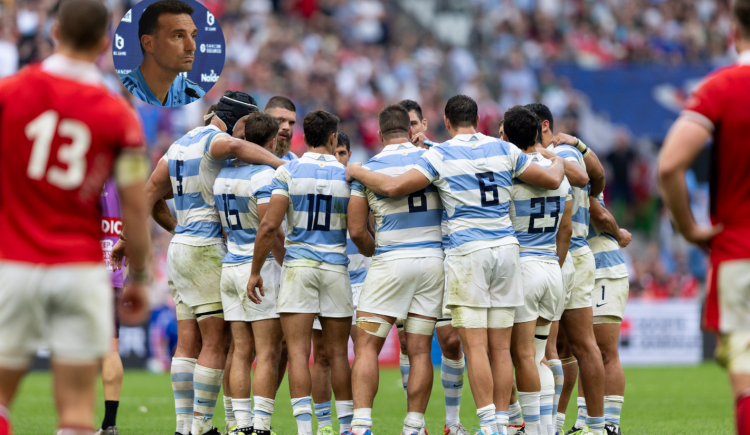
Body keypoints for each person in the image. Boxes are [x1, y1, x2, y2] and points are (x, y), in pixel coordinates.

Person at [345, 95, 565, 435]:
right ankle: (504, 424)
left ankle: (490, 425)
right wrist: (558, 161)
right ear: (478, 118)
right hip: (507, 250)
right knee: (501, 348)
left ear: (446, 122)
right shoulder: (503, 149)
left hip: (468, 252)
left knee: (475, 345)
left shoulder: (439, 154)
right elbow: (551, 179)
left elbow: (392, 186)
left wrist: (357, 170)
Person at [0, 1, 150, 434]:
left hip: (17, 263)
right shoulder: (120, 118)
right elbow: (135, 208)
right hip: (81, 272)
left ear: (53, 32)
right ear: (105, 44)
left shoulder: (10, 93)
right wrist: (138, 278)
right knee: (77, 414)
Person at [113, 91, 286, 435]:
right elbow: (235, 147)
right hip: (206, 249)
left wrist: (130, 237)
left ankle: (183, 427)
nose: (242, 136)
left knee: (187, 342)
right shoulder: (217, 140)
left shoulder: (178, 145)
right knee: (215, 342)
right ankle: (202, 426)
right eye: (244, 127)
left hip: (180, 248)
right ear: (240, 121)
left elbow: (149, 195)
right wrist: (283, 165)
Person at [658, 1, 750, 432]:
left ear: (733, 31)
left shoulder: (723, 87)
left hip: (739, 251)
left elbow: (669, 165)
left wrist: (691, 227)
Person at [247, 111, 354, 435]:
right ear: (333, 138)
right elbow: (360, 227)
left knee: (297, 353)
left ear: (303, 137)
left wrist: (255, 271)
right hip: (335, 266)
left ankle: (306, 431)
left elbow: (269, 226)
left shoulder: (288, 172)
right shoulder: (348, 175)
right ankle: (347, 427)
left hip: (299, 267)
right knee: (337, 354)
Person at [346, 104, 445, 435]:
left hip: (391, 260)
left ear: (379, 133)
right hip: (433, 261)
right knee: (419, 350)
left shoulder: (369, 169)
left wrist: (379, 253)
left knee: (366, 346)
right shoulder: (434, 161)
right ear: (411, 129)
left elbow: (358, 231)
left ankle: (361, 425)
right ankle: (414, 426)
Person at [525, 103, 607, 435]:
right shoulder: (548, 154)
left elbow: (584, 177)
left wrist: (549, 151)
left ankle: (597, 425)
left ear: (542, 125)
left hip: (568, 252)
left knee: (579, 344)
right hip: (561, 253)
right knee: (559, 348)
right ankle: (556, 424)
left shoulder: (561, 151)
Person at [398, 99, 468, 435]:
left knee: (451, 341)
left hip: (444, 258)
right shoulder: (391, 162)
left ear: (425, 124)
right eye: (404, 125)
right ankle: (416, 423)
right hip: (405, 260)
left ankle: (452, 423)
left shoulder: (442, 154)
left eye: (414, 123)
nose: (410, 131)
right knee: (409, 344)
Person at [213, 112, 286, 435]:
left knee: (240, 351)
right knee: (267, 352)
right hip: (258, 268)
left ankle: (239, 425)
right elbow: (269, 230)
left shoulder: (223, 175)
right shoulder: (264, 177)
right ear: (271, 143)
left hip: (230, 264)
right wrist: (284, 263)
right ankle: (261, 425)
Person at [502, 107, 572, 435]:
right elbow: (566, 229)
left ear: (508, 138)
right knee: (540, 354)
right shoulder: (556, 169)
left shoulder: (511, 172)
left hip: (524, 268)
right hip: (551, 267)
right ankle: (545, 429)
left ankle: (531, 430)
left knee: (523, 355)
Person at [311, 131, 371, 435]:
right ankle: (324, 426)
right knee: (321, 354)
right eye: (336, 152)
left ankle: (354, 424)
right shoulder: (314, 184)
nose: (339, 158)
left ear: (350, 155)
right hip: (326, 276)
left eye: (344, 153)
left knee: (362, 350)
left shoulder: (361, 184)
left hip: (361, 281)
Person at [573, 194, 631, 435]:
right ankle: (583, 422)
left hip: (603, 269)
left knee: (602, 350)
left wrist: (618, 235)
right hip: (579, 270)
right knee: (585, 351)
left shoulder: (579, 171)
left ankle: (610, 425)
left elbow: (600, 215)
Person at [118, 0, 205, 107]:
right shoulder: (127, 88)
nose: (192, 46)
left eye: (193, 36)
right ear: (148, 43)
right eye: (178, 36)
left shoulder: (194, 93)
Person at [96, 179, 126, 435]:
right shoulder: (121, 180)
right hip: (113, 271)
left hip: (78, 267)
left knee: (72, 350)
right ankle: (109, 424)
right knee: (110, 349)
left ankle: (74, 423)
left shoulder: (79, 172)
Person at [265, 96, 299, 161]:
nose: (287, 127)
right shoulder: (246, 153)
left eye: (291, 123)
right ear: (265, 120)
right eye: (280, 120)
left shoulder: (293, 160)